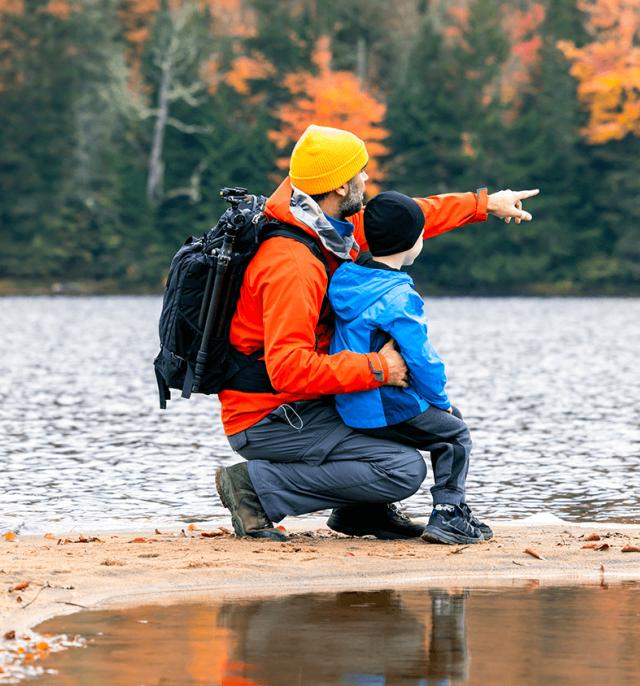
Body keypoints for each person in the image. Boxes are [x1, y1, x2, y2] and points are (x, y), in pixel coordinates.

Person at [214, 124, 537, 541]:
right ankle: (254, 489)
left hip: (303, 402)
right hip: (268, 416)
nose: (367, 181)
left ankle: (358, 514)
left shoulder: (323, 226)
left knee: (397, 420)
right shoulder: (292, 265)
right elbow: (287, 369)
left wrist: (484, 204)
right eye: (361, 174)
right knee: (401, 468)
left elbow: (402, 221)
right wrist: (377, 368)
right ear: (341, 186)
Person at [326, 191, 490, 545]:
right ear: (415, 242)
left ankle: (355, 511)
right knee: (454, 432)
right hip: (381, 403)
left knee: (445, 423)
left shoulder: (345, 279)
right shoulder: (398, 297)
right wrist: (440, 399)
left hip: (349, 400)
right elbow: (422, 359)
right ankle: (448, 514)